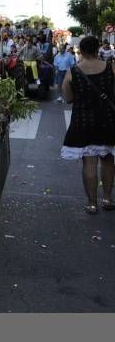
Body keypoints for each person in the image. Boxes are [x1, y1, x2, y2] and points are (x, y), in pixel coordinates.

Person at [61, 36, 115, 215]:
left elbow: (67, 98)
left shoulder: (73, 71)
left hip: (84, 121)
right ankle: (107, 198)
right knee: (108, 161)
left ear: (81, 51)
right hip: (108, 121)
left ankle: (92, 203)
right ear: (97, 49)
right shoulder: (110, 67)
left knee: (89, 163)